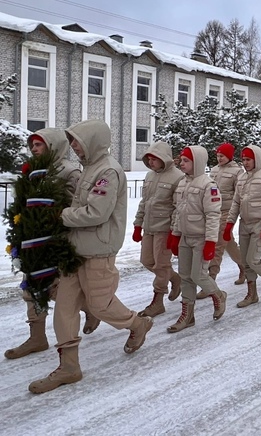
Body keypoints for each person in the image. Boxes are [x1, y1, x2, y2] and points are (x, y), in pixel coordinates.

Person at [29, 120, 154, 394]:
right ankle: (69, 367)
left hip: (98, 249)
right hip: (75, 249)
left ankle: (138, 323)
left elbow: (96, 213)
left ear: (93, 141)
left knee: (100, 305)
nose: (73, 146)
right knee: (64, 307)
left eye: (77, 140)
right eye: (71, 141)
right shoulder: (89, 169)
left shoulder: (107, 171)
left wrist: (59, 216)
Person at [5, 128, 100, 360]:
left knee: (57, 289)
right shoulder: (32, 172)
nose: (34, 149)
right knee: (31, 287)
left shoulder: (69, 171)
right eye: (32, 146)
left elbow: (74, 204)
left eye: (39, 145)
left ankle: (91, 309)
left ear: (53, 145)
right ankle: (37, 337)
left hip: (55, 240)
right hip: (30, 240)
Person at [166, 146, 227, 333]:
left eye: (186, 161)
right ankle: (188, 316)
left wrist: (210, 241)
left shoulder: (209, 185)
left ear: (198, 162)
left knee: (198, 275)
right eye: (181, 160)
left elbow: (213, 215)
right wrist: (175, 235)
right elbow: (178, 212)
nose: (181, 164)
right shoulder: (182, 184)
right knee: (185, 276)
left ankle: (218, 295)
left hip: (201, 238)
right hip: (185, 237)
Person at [132, 141, 184, 318]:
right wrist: (138, 225)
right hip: (148, 227)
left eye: (154, 159)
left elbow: (178, 208)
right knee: (147, 261)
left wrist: (173, 232)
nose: (151, 162)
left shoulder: (178, 177)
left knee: (161, 265)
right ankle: (175, 278)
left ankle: (158, 301)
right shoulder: (149, 176)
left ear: (164, 158)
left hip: (164, 229)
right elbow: (144, 202)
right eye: (149, 159)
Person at [226, 145, 261, 308]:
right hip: (244, 223)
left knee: (253, 259)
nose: (245, 162)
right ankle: (252, 294)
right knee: (245, 261)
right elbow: (236, 202)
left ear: (256, 159)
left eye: (248, 159)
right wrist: (230, 223)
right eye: (243, 159)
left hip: (260, 223)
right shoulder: (242, 178)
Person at [205, 143, 245, 291]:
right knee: (228, 242)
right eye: (218, 155)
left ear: (229, 156)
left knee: (217, 244)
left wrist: (236, 213)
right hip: (212, 211)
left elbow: (239, 194)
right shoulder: (214, 170)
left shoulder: (237, 172)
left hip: (227, 212)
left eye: (222, 155)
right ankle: (244, 266)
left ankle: (210, 280)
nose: (219, 158)